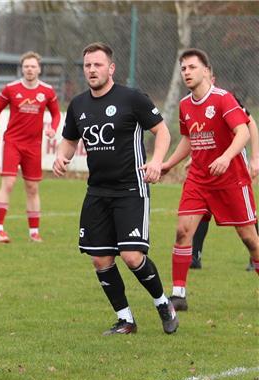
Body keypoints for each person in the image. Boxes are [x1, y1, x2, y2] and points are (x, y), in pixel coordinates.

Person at [52, 42, 177, 335]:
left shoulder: (132, 98)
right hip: (96, 192)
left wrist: (157, 161)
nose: (92, 70)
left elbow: (162, 131)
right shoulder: (79, 105)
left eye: (97, 65)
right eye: (87, 66)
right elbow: (69, 139)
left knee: (132, 256)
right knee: (100, 259)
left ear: (111, 68)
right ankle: (126, 319)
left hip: (131, 189)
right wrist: (62, 155)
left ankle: (163, 303)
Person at [159, 48, 259, 312]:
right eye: (183, 69)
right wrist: (169, 163)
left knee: (250, 239)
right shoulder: (184, 105)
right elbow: (188, 139)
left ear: (206, 71)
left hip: (231, 180)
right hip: (199, 180)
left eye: (192, 67)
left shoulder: (223, 99)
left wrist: (226, 158)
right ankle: (178, 294)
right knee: (183, 231)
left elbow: (243, 132)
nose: (187, 73)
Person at [187, 75, 259, 270]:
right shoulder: (191, 100)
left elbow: (250, 124)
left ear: (212, 77)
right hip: (209, 168)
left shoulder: (226, 98)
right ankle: (195, 256)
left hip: (234, 166)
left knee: (246, 215)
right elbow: (199, 135)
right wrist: (192, 158)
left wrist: (255, 158)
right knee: (202, 210)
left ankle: (254, 258)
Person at [0, 51, 60, 243]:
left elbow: (56, 114)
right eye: (26, 66)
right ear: (22, 68)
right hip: (13, 142)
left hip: (34, 146)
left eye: (33, 66)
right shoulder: (11, 89)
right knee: (9, 183)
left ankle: (34, 232)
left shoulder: (47, 91)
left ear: (39, 69)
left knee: (32, 188)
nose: (29, 69)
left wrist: (53, 129)